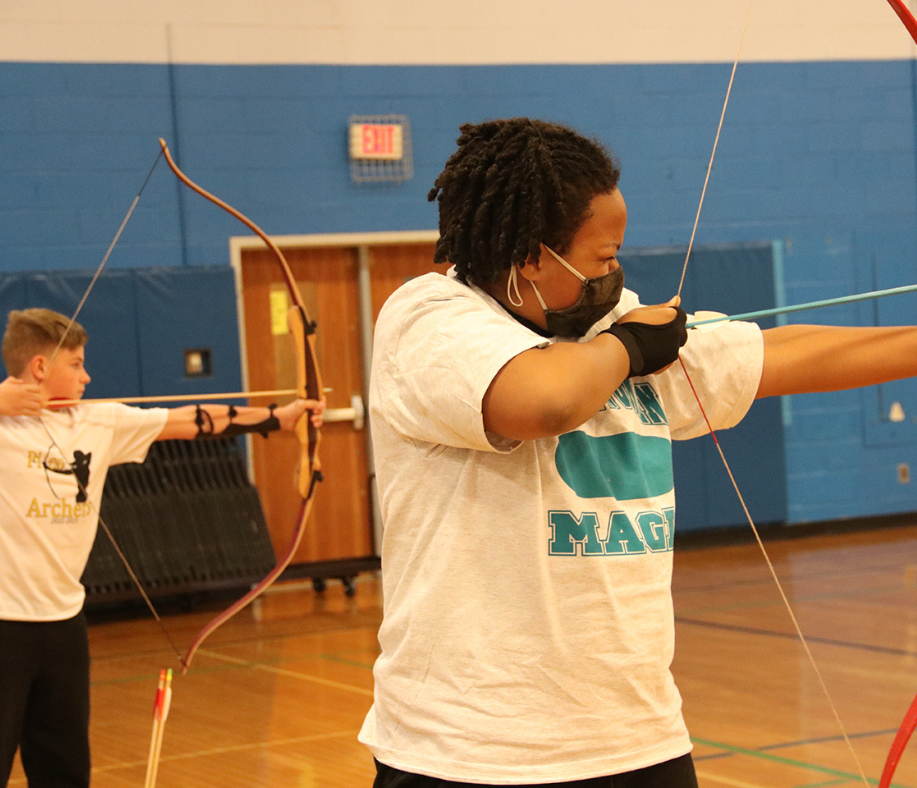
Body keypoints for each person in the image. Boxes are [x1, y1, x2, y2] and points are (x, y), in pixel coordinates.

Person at [358, 117, 917, 787]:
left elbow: (782, 353)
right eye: (599, 257)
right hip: (468, 751)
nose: (614, 272)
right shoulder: (430, 320)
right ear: (533, 256)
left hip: (637, 741)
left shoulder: (608, 330)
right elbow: (544, 402)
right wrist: (625, 347)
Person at [0, 307, 325, 788]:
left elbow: (192, 421)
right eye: (76, 364)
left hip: (63, 628)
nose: (87, 375)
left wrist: (281, 418)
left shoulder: (98, 422)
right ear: (40, 367)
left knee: (65, 769)